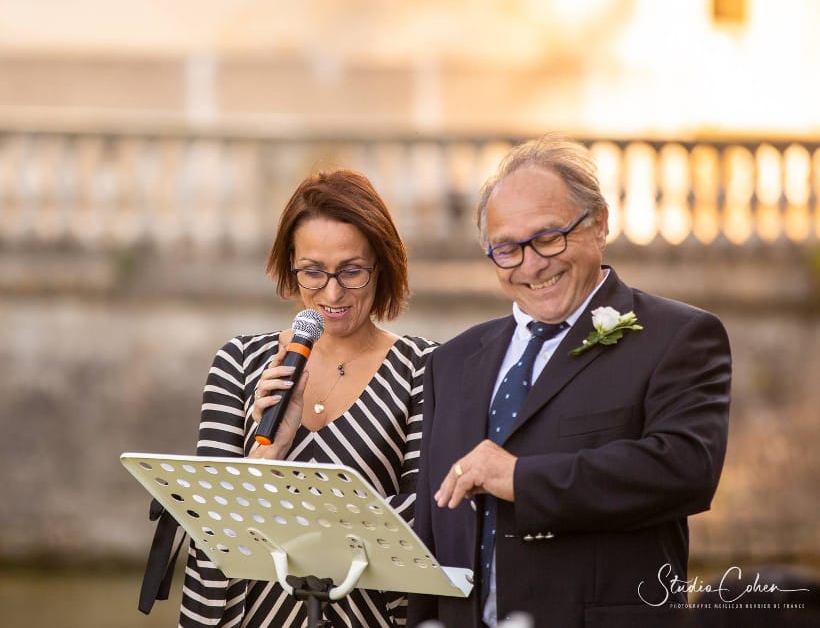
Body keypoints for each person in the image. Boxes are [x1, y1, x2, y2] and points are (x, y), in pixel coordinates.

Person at [407, 134, 732, 628]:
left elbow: (685, 468)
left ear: (600, 223)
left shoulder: (680, 336)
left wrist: (520, 479)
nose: (532, 264)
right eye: (507, 250)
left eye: (548, 237)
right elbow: (433, 526)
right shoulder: (449, 362)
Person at [142, 169, 436, 627]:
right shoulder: (239, 361)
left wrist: (286, 513)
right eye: (313, 272)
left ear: (382, 264)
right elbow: (212, 528)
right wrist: (269, 454)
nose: (332, 293)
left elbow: (425, 522)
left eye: (352, 271)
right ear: (290, 264)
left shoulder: (425, 368)